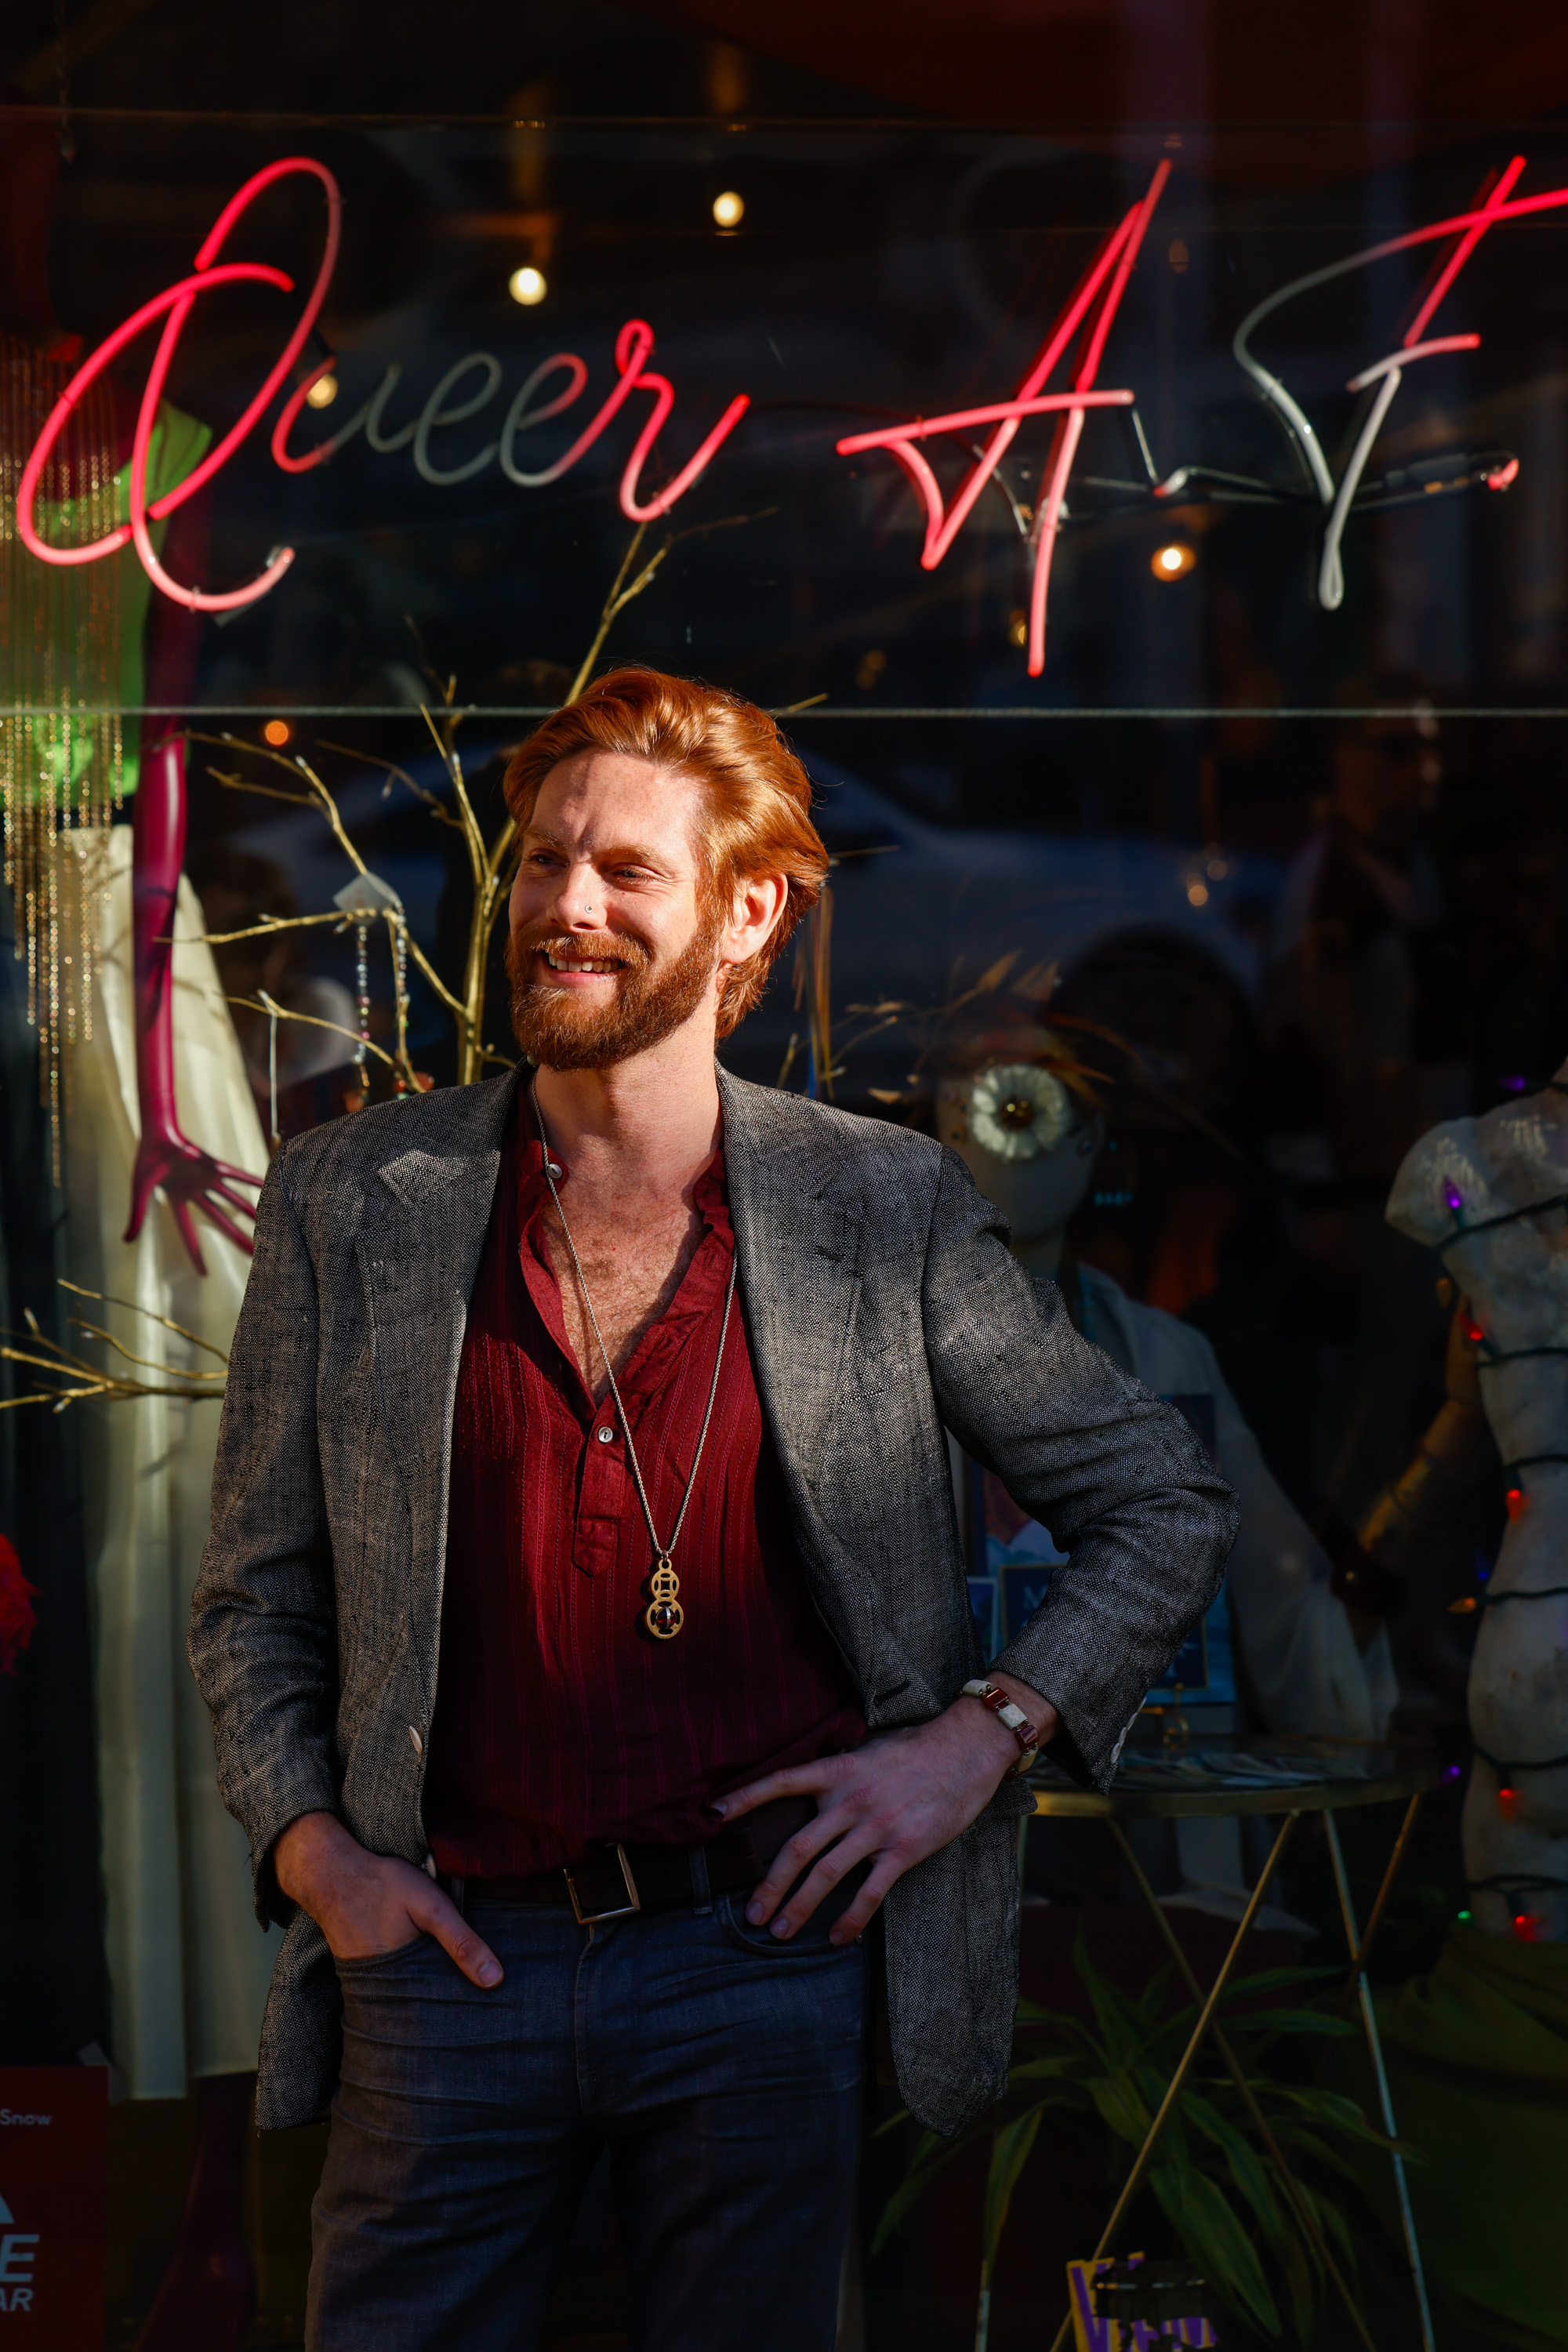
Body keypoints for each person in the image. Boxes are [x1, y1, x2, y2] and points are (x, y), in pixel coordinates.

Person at [187, 667, 1237, 2352]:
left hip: (762, 1962)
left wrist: (976, 1740)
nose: (562, 908)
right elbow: (254, 1594)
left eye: (623, 873)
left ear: (745, 910)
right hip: (444, 1963)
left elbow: (1159, 1506)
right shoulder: (351, 1197)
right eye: (540, 863)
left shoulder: (874, 1202)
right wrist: (316, 1855)